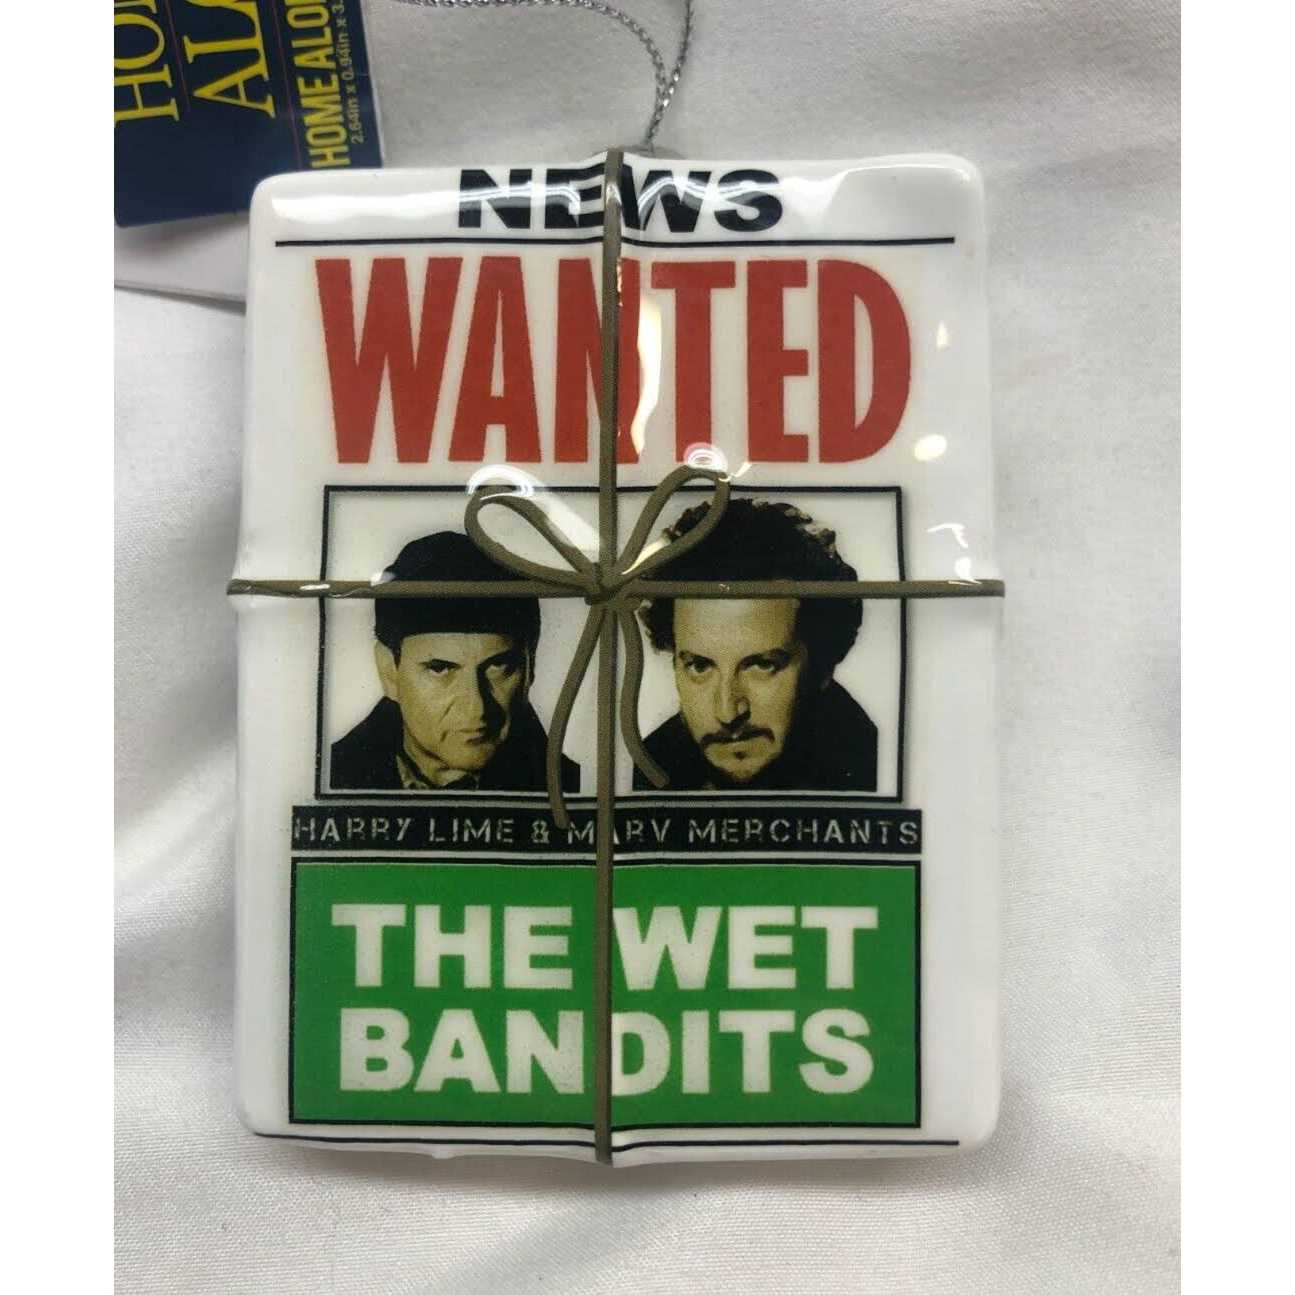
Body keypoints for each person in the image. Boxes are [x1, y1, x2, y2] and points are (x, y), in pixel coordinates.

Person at [635, 498, 878, 791]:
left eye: (762, 665)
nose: (728, 713)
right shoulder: (647, 770)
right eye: (700, 666)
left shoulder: (878, 770)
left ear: (823, 666)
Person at [329, 532, 579, 792]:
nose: (476, 708)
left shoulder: (577, 787)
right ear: (389, 671)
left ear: (530, 667)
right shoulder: (324, 779)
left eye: (498, 667)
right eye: (440, 669)